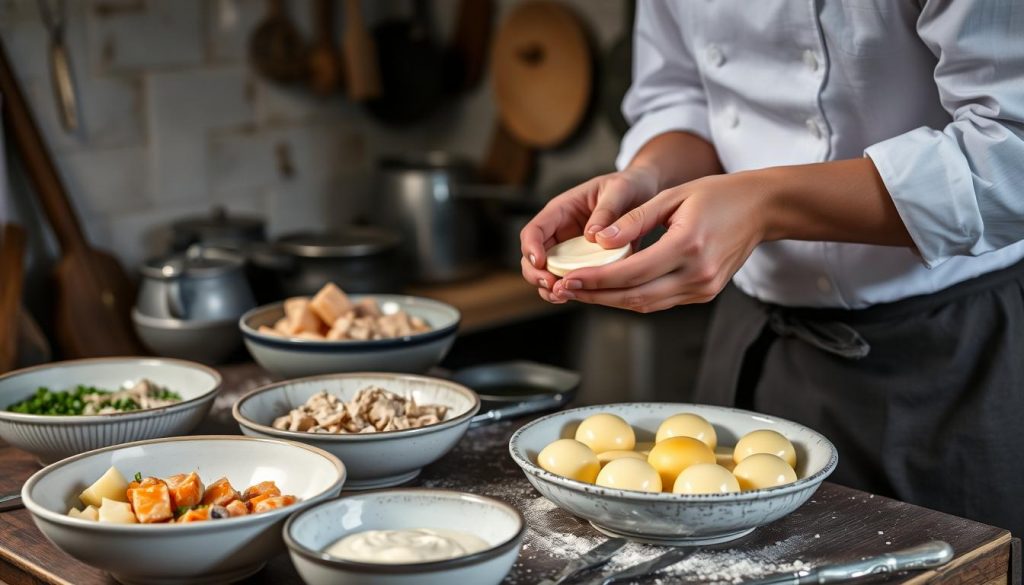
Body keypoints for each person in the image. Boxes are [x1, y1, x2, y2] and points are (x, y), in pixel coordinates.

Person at [520, 1, 1024, 535]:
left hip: (951, 358)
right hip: (755, 341)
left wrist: (765, 204)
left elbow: (1009, 152)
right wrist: (648, 180)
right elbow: (682, 93)